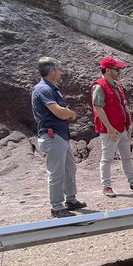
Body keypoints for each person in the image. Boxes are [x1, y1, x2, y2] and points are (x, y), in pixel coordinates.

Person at [32, 57, 86, 218]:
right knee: (56, 172)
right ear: (52, 71)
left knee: (70, 168)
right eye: (60, 69)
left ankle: (70, 199)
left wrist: (66, 113)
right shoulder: (43, 89)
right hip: (53, 135)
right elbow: (59, 112)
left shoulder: (51, 88)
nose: (62, 72)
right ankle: (56, 207)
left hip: (59, 135)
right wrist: (71, 113)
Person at [91, 57, 133, 197]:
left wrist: (129, 122)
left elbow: (124, 105)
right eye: (116, 69)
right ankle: (106, 186)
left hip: (122, 128)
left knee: (127, 157)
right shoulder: (99, 86)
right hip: (110, 131)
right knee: (107, 159)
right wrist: (109, 128)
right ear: (107, 70)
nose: (119, 71)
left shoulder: (117, 85)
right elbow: (98, 108)